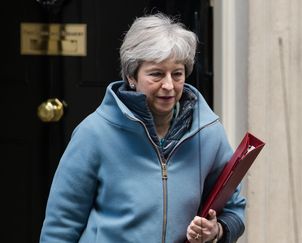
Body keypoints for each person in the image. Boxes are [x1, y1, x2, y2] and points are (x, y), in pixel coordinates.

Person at [39, 13, 246, 243]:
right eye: (156, 74)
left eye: (177, 74)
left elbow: (234, 209)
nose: (169, 85)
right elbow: (60, 226)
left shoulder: (208, 133)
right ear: (131, 76)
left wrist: (216, 231)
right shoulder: (94, 133)